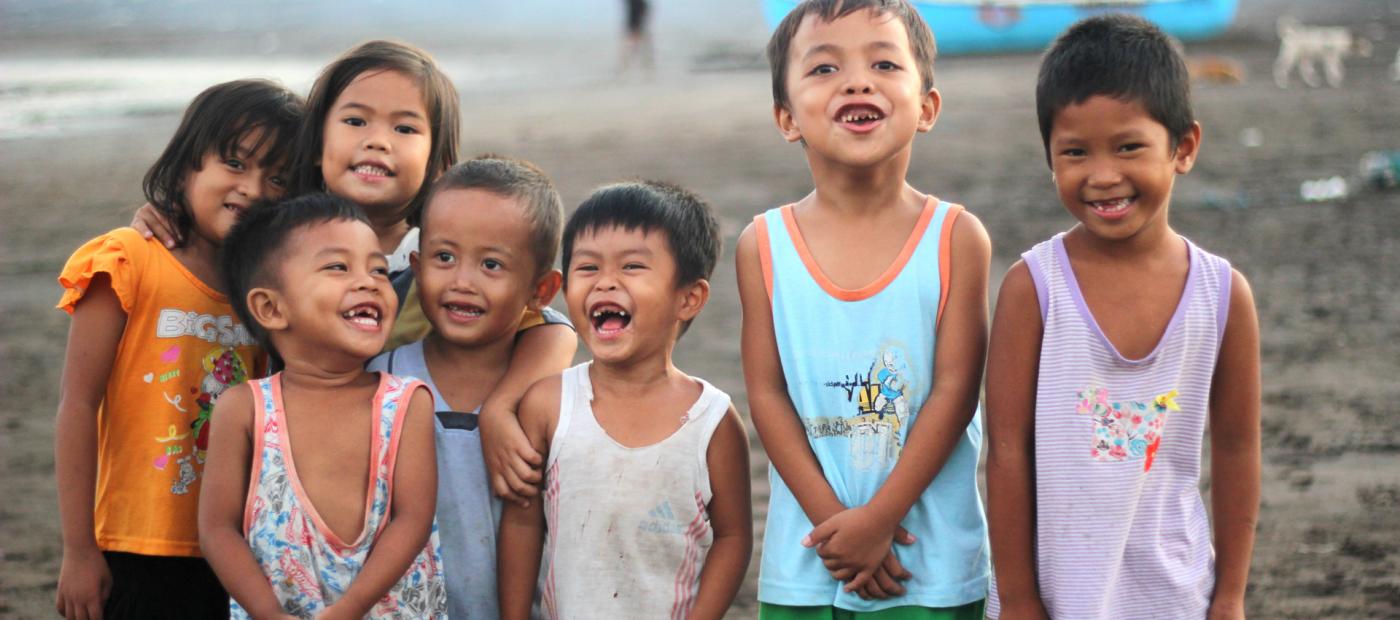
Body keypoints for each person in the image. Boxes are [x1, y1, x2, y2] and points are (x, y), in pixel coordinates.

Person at [130, 40, 578, 509]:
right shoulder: (283, 242)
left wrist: (502, 406)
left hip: (420, 490)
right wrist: (168, 215)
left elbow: (549, 326)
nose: (377, 140)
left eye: (404, 128)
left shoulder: (439, 260)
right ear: (317, 144)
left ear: (438, 166)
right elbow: (217, 231)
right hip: (295, 483)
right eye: (356, 121)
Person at [983, 14, 1261, 620]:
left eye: (1129, 147)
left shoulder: (1222, 296)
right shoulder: (1034, 289)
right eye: (1075, 152)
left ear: (1183, 147)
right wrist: (1020, 597)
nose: (1103, 175)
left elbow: (1238, 447)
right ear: (1050, 158)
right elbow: (1005, 451)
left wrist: (1231, 595)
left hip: (1175, 595)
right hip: (1057, 596)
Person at [735, 0, 992, 617]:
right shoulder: (763, 245)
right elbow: (767, 395)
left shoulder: (956, 238)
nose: (856, 82)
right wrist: (836, 525)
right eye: (824, 69)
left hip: (929, 568)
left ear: (926, 106)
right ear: (786, 117)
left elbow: (956, 392)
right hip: (809, 563)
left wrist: (879, 519)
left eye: (884, 64)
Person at [52, 79, 302, 620]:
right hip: (132, 546)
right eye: (234, 163)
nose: (253, 189)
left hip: (236, 551)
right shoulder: (128, 259)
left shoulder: (268, 291)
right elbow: (77, 405)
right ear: (188, 164)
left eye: (277, 177)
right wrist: (78, 549)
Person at [497, 182, 752, 619]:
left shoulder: (712, 423)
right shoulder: (550, 405)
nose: (605, 282)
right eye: (587, 267)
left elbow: (733, 537)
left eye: (632, 266)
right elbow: (522, 522)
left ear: (688, 299)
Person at [199, 194, 445, 618]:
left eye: (379, 269)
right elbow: (217, 530)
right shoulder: (244, 410)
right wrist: (269, 614)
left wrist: (351, 608)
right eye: (338, 267)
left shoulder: (405, 402)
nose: (370, 282)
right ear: (271, 308)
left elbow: (414, 519)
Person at [366, 155, 564, 619]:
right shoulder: (381, 380)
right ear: (416, 267)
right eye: (444, 257)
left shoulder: (551, 394)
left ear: (540, 291)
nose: (462, 281)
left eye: (491, 264)